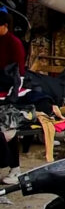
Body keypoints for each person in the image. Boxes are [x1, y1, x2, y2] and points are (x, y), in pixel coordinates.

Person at [0, 11, 25, 184]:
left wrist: (11, 93)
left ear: (4, 26)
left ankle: (15, 169)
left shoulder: (14, 43)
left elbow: (19, 73)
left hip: (10, 91)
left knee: (9, 130)